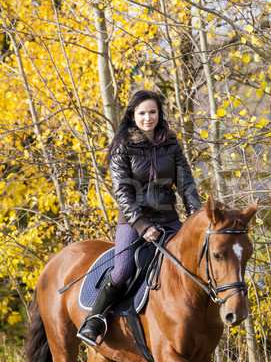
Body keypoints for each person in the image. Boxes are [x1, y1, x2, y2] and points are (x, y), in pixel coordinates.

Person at [77, 90, 202, 346]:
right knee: (122, 269)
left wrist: (196, 217)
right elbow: (122, 191)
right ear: (133, 115)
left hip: (168, 217)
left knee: (194, 260)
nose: (148, 118)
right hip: (133, 221)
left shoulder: (171, 143)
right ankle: (95, 318)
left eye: (153, 112)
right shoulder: (123, 145)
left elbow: (186, 184)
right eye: (142, 113)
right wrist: (142, 225)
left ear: (159, 113)